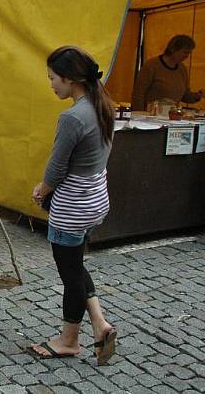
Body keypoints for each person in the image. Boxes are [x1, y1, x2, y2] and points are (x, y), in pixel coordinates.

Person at [30, 47, 117, 365]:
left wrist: (41, 191)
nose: (51, 84)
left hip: (72, 207)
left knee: (70, 274)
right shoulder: (103, 105)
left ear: (69, 79)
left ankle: (68, 340)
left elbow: (56, 169)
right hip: (95, 201)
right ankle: (100, 324)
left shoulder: (72, 117)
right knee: (75, 264)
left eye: (53, 78)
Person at [131, 34, 203, 111]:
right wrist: (139, 115)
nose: (187, 56)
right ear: (173, 49)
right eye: (185, 52)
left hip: (171, 117)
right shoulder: (152, 65)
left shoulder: (182, 69)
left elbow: (184, 95)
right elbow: (138, 94)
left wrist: (198, 95)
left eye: (189, 53)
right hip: (150, 116)